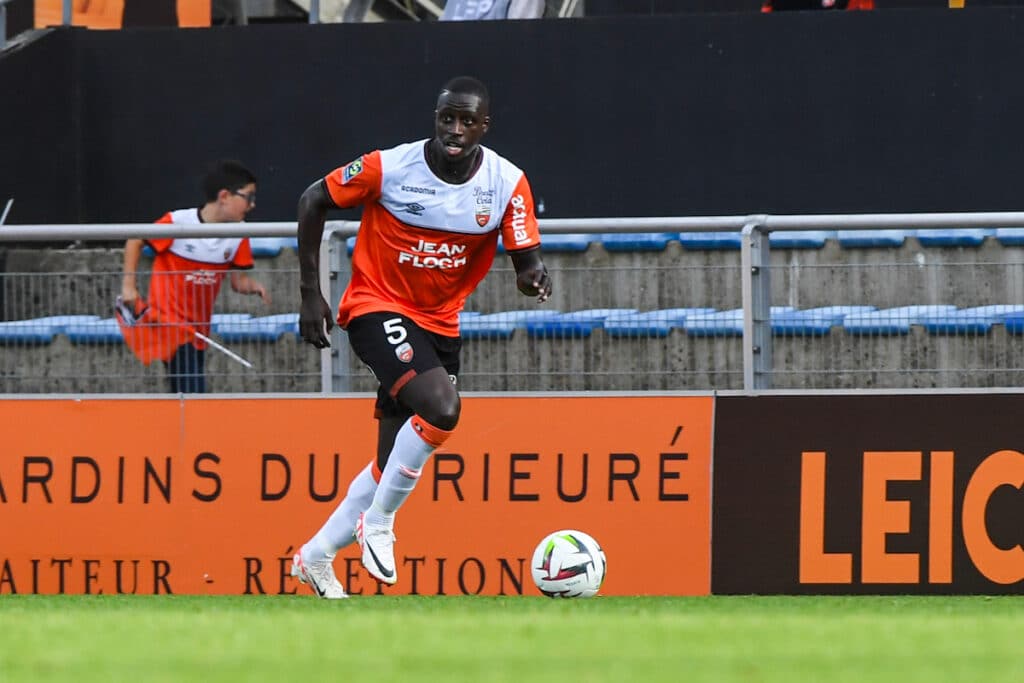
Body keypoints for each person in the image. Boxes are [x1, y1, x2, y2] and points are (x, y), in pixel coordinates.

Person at [290, 76, 552, 598]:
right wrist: (309, 292)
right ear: (435, 118)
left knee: (390, 464)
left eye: (466, 121)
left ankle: (316, 557)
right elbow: (312, 200)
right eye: (446, 118)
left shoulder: (507, 182)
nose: (454, 130)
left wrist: (532, 278)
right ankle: (380, 523)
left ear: (484, 125)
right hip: (375, 305)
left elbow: (528, 260)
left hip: (440, 323)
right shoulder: (389, 167)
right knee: (443, 408)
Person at [118, 159, 271, 393]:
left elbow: (237, 282)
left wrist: (254, 287)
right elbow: (135, 240)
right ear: (224, 196)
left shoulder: (238, 234)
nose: (252, 205)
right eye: (248, 197)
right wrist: (129, 286)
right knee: (192, 393)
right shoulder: (178, 222)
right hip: (168, 325)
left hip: (199, 331)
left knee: (185, 393)